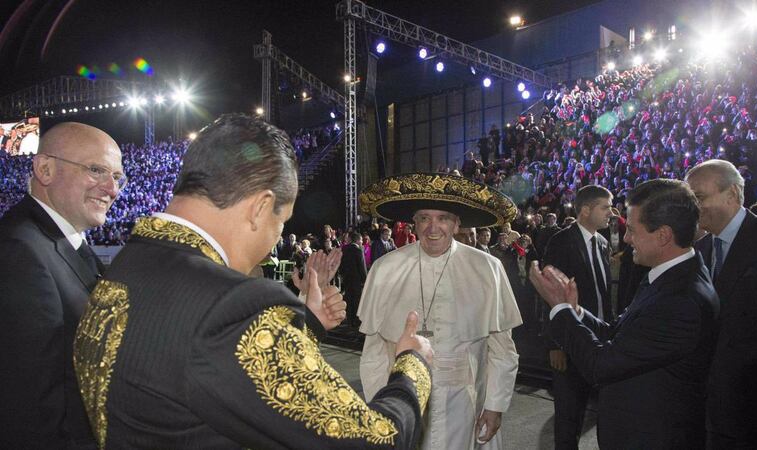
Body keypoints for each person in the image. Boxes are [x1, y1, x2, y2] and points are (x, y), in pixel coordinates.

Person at [73, 114, 433, 449]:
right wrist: (412, 364)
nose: (275, 239)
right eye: (282, 222)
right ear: (261, 207)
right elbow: (377, 439)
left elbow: (205, 368)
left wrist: (306, 323)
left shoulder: (130, 263)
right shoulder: (233, 306)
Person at [530, 179, 719, 449]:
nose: (627, 239)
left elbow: (601, 365)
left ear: (663, 235)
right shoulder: (667, 277)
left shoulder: (680, 301)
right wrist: (576, 311)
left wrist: (559, 309)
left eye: (631, 229)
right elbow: (617, 333)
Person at [358, 173, 522, 450]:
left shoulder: (487, 268)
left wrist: (495, 406)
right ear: (414, 223)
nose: (433, 228)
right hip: (404, 402)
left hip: (465, 402)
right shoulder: (385, 268)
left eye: (443, 218)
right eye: (424, 218)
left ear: (457, 223)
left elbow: (502, 348)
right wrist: (379, 409)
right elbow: (374, 351)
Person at [0, 122, 124, 449]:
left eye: (117, 177)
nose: (111, 190)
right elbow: (29, 408)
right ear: (45, 169)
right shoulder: (18, 252)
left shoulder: (65, 244)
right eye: (96, 170)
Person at [686, 159, 757, 449]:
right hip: (705, 405)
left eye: (699, 198)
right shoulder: (698, 251)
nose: (692, 207)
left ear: (733, 194)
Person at [541, 185, 613, 450]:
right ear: (585, 209)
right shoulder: (562, 241)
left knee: (605, 416)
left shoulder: (603, 243)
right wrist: (555, 344)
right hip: (569, 344)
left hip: (599, 341)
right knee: (569, 419)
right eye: (605, 207)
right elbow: (549, 295)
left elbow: (604, 296)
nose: (611, 213)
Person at [340, 231, 368, 327]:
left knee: (348, 298)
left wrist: (343, 275)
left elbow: (341, 265)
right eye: (361, 240)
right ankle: (356, 320)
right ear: (357, 240)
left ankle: (350, 319)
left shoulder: (344, 249)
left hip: (347, 279)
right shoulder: (358, 250)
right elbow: (362, 266)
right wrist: (365, 279)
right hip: (357, 280)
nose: (362, 242)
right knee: (357, 299)